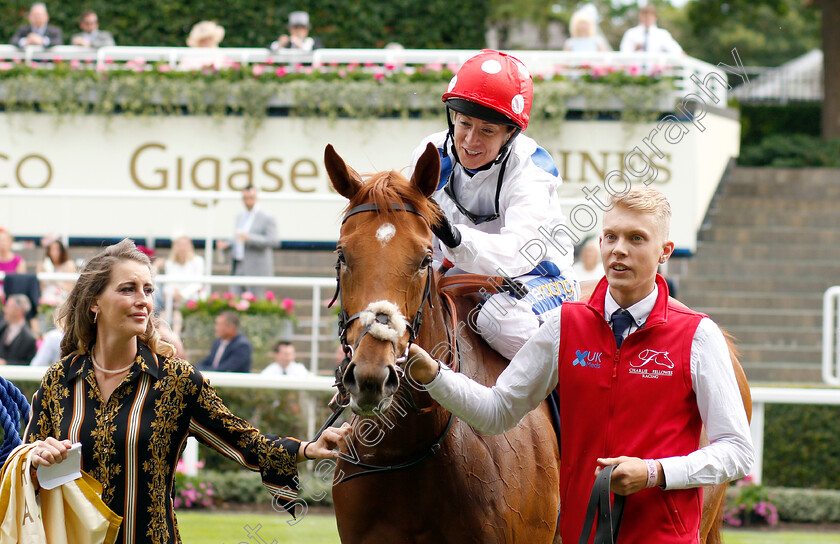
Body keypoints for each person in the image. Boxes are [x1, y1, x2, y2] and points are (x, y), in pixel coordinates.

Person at [406, 186, 754, 544]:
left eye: (636, 238)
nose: (619, 249)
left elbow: (738, 452)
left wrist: (654, 472)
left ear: (664, 251)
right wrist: (434, 376)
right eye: (611, 237)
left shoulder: (699, 335)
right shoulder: (562, 325)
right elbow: (498, 411)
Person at [24, 239, 350, 544]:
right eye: (128, 289)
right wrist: (36, 460)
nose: (143, 300)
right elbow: (23, 467)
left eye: (148, 289)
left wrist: (307, 448)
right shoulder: (58, 381)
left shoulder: (177, 380)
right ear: (95, 302)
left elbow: (245, 441)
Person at [410, 49, 577, 360]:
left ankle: (577, 395)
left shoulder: (532, 169)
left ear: (510, 133)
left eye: (487, 131)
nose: (471, 141)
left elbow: (518, 254)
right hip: (459, 272)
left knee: (498, 322)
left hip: (539, 275)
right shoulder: (430, 152)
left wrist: (455, 237)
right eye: (464, 124)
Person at [217, 186, 278, 296]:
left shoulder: (266, 217)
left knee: (256, 303)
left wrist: (250, 238)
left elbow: (273, 241)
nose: (248, 201)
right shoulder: (240, 216)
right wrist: (227, 244)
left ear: (257, 198)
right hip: (238, 266)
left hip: (256, 268)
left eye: (251, 197)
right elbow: (238, 238)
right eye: (245, 198)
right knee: (236, 301)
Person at [0, 294, 38, 365]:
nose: (4, 310)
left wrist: (6, 363)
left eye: (8, 307)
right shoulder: (2, 328)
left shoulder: (29, 338)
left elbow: (29, 363)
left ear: (19, 311)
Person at [37, 237, 77, 304]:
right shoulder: (42, 266)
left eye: (57, 250)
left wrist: (52, 277)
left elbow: (70, 286)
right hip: (46, 298)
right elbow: (40, 287)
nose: (54, 253)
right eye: (52, 250)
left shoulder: (69, 265)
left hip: (62, 297)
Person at [0, 228, 27, 293]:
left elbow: (20, 281)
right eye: (1, 240)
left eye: (5, 240)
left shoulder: (19, 261)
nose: (3, 243)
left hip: (13, 292)